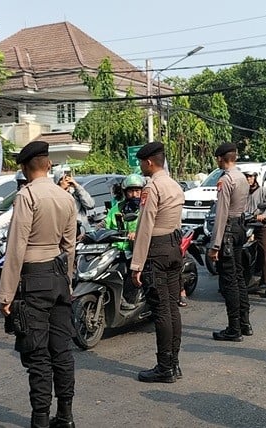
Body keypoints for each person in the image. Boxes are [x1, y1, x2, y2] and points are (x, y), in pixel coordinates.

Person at [0, 141, 78, 428]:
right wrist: (66, 283)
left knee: (38, 354)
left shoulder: (27, 196)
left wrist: (6, 294)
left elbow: (16, 246)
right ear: (48, 165)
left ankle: (40, 420)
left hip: (33, 279)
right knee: (62, 351)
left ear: (24, 168)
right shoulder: (66, 197)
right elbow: (69, 246)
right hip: (58, 278)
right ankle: (66, 415)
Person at [130, 141, 185, 383]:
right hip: (174, 247)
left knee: (161, 310)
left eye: (141, 162)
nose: (141, 166)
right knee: (172, 309)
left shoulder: (152, 188)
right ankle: (174, 363)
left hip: (157, 251)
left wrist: (137, 264)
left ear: (149, 162)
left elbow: (145, 226)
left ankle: (165, 367)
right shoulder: (174, 185)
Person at [208, 143, 251, 341]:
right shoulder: (242, 177)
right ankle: (244, 323)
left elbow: (221, 214)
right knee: (239, 277)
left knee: (229, 281)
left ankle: (234, 328)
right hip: (240, 228)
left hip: (227, 232)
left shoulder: (225, 180)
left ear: (220, 158)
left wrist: (214, 245)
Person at [105, 174, 145, 310]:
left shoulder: (145, 208)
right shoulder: (117, 208)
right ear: (125, 192)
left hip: (137, 250)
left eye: (137, 191)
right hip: (116, 249)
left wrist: (137, 234)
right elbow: (106, 224)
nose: (134, 195)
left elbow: (148, 226)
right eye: (130, 191)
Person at [243, 169, 266, 298]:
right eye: (246, 177)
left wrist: (263, 216)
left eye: (250, 176)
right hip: (246, 225)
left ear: (255, 177)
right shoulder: (241, 193)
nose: (248, 179)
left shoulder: (264, 191)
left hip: (261, 226)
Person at [54, 167, 95, 234]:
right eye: (63, 179)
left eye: (68, 177)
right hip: (66, 234)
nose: (66, 180)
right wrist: (61, 191)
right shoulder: (55, 197)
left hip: (82, 232)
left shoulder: (76, 193)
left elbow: (90, 205)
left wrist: (77, 186)